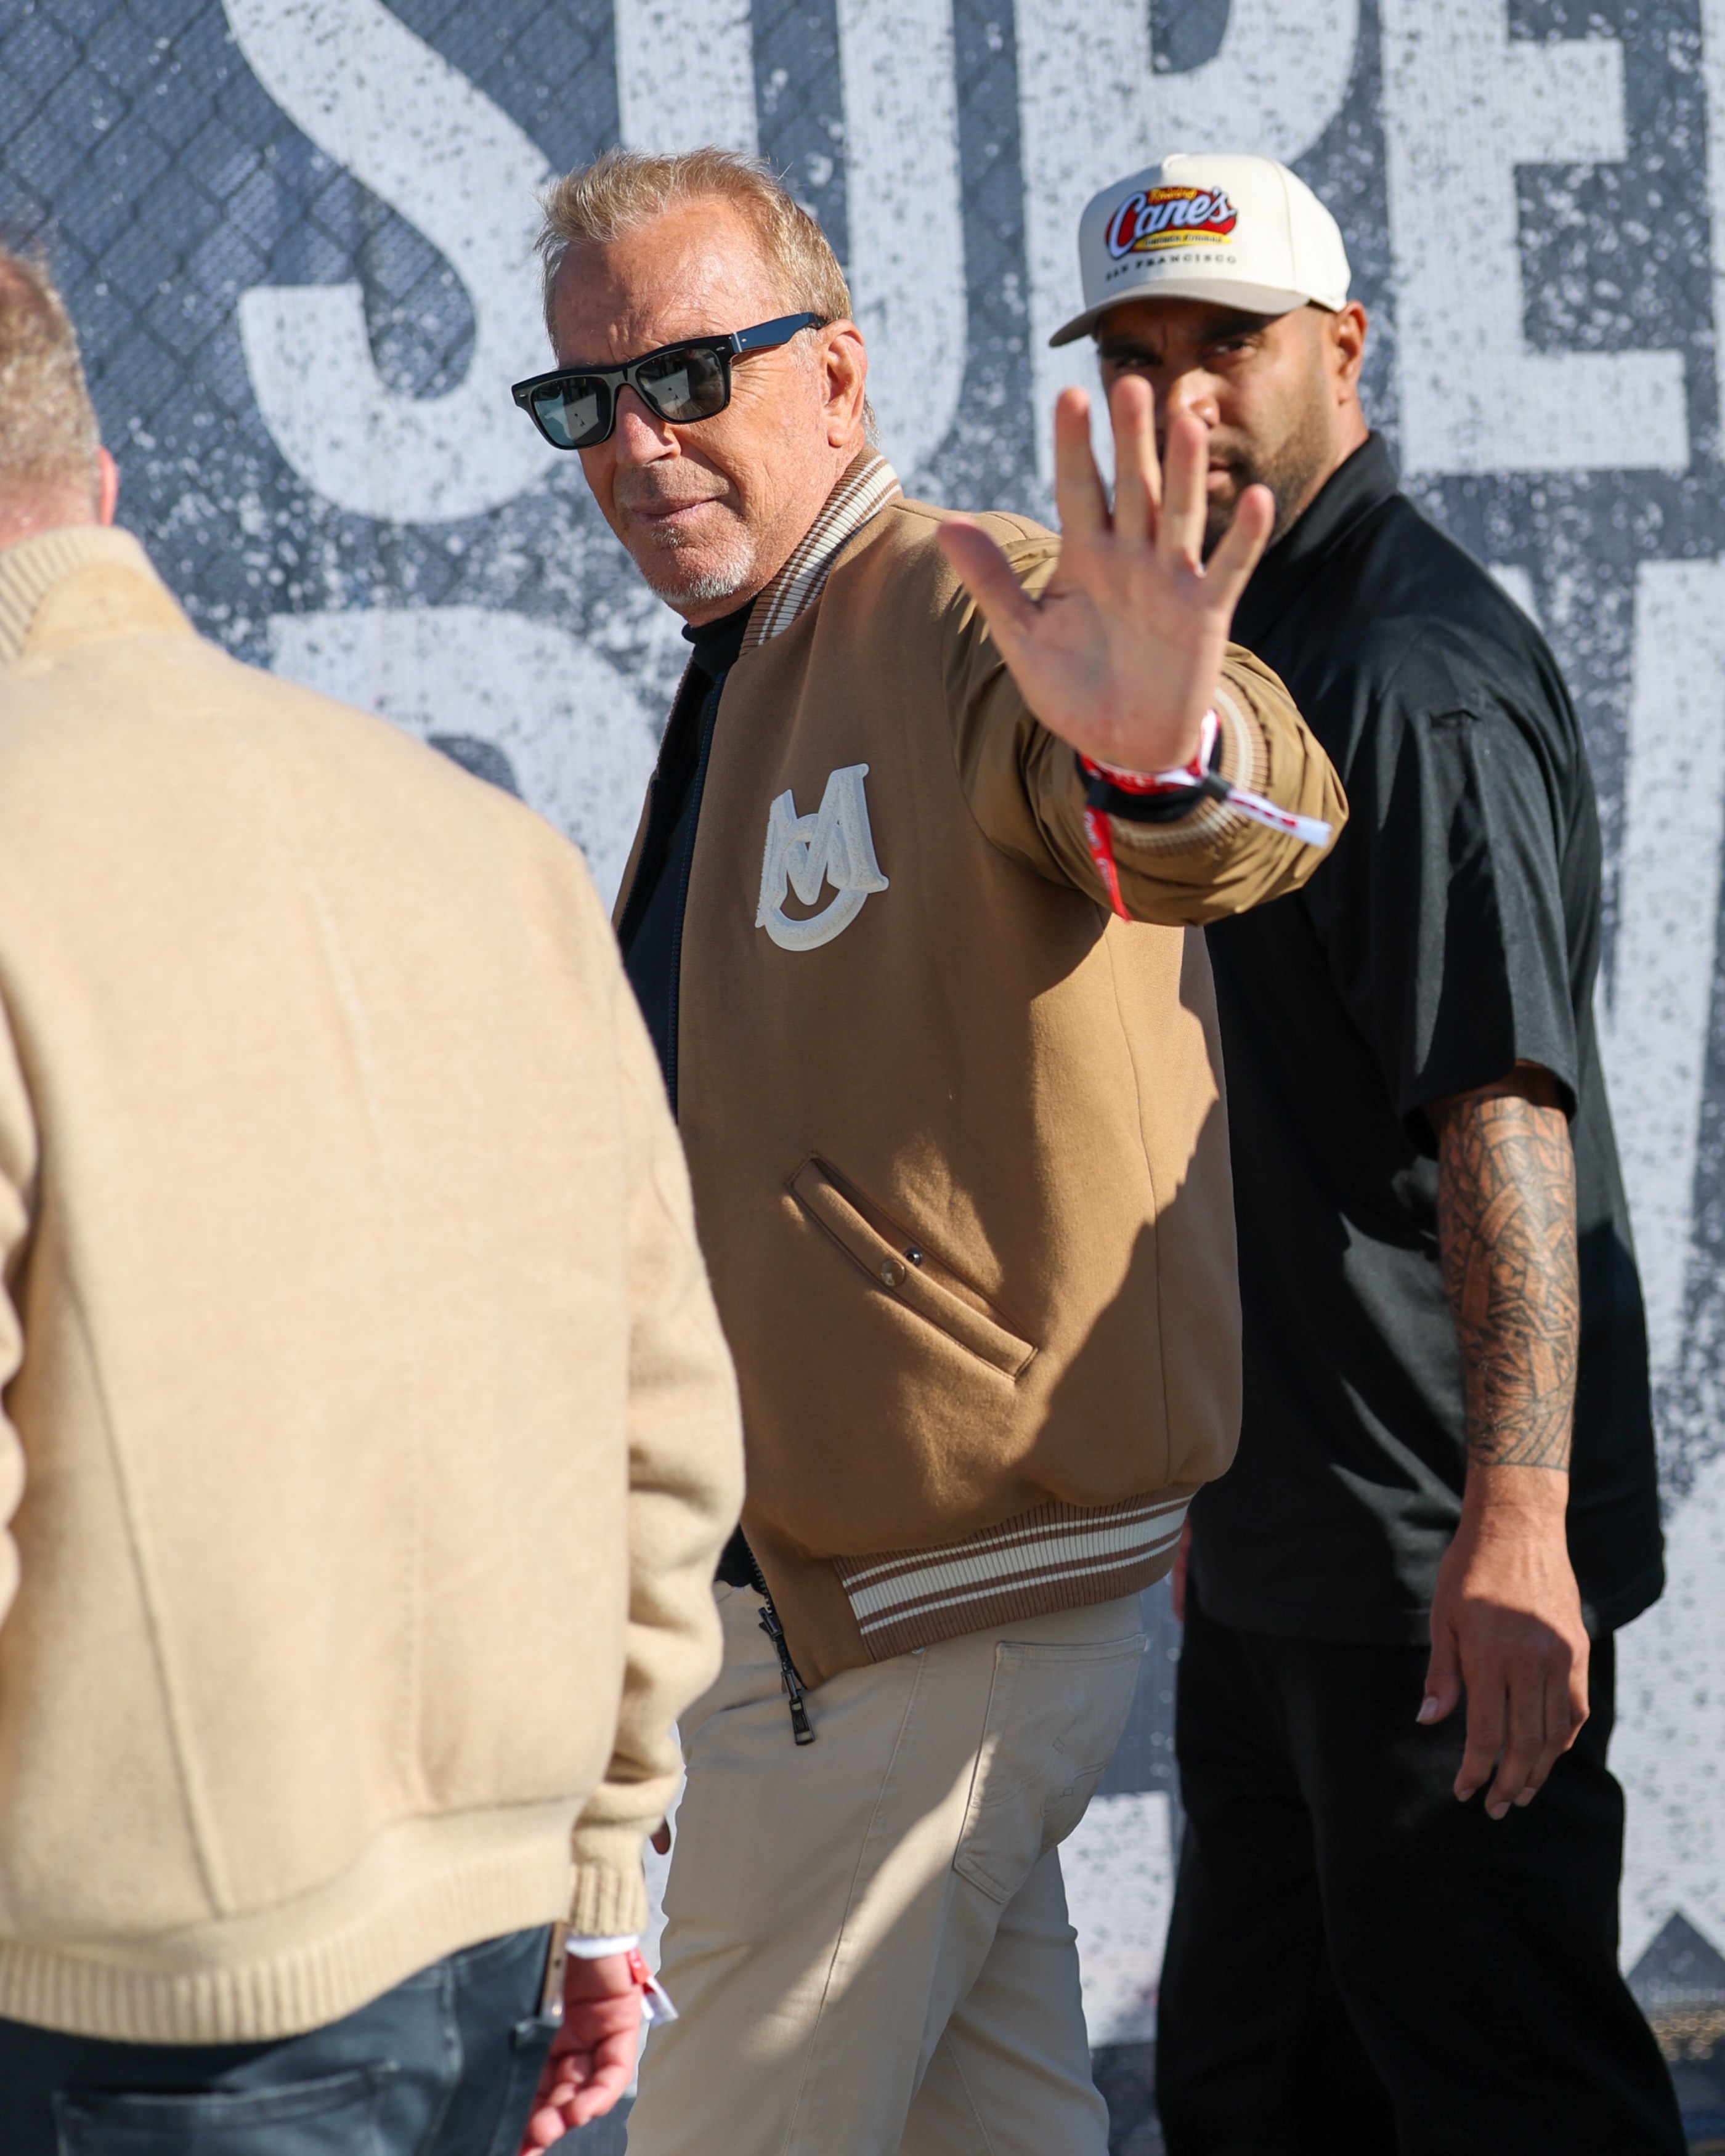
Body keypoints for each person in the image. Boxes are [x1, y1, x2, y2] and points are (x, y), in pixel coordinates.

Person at [508, 147, 1345, 2156]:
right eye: (584, 401)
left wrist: (1165, 750)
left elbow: (1234, 803)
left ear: (841, 381)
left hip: (921, 1614)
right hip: (864, 1613)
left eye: (692, 373)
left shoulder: (962, 605)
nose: (637, 443)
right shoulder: (760, 662)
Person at [0, 246, 744, 2156]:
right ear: (96, 492)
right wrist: (596, 1869)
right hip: (495, 1947)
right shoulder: (480, 845)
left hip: (110, 2007)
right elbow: (660, 1419)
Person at [1052, 152, 1684, 2152]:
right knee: (1259, 2091)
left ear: (1342, 344)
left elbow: (1502, 1117)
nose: (1185, 400)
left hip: (1432, 1556)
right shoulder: (1225, 660)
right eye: (1139, 358)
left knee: (1513, 2095)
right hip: (1278, 1545)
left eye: (1227, 343)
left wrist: (1513, 1524)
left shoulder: (1404, 670)